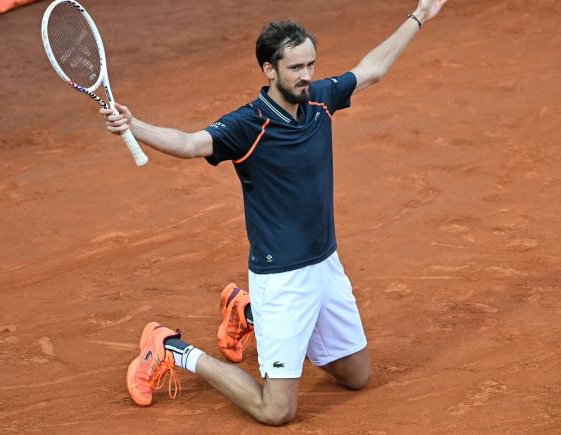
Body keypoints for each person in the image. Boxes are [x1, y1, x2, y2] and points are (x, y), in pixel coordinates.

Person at [103, 0, 447, 426]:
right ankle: (173, 349)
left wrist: (420, 15)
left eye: (310, 65)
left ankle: (248, 316)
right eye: (295, 68)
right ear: (269, 70)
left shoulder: (320, 100)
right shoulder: (248, 125)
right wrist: (134, 126)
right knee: (277, 410)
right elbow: (190, 143)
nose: (306, 76)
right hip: (281, 277)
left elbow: (372, 69)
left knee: (357, 377)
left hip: (326, 265)